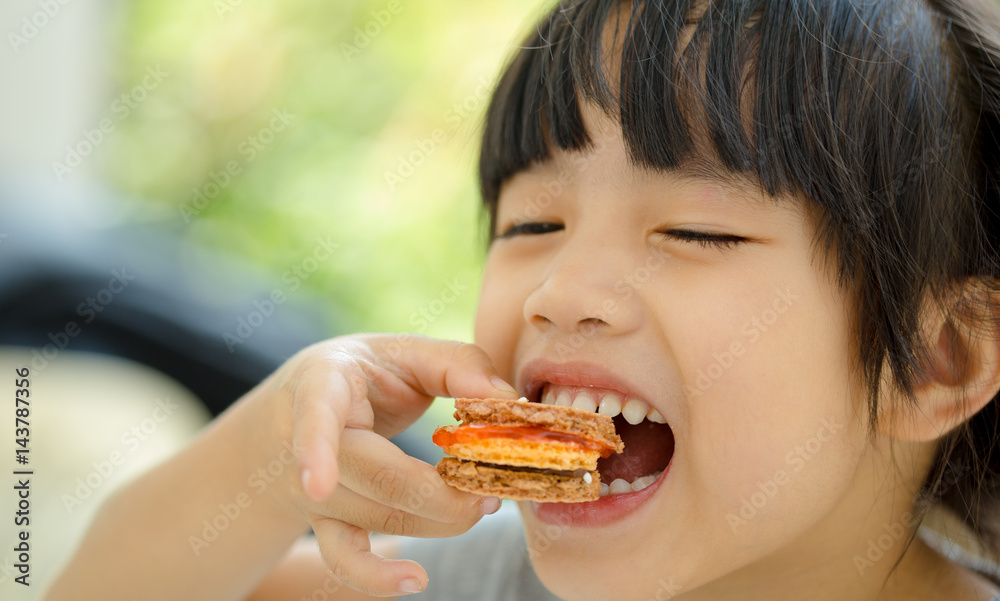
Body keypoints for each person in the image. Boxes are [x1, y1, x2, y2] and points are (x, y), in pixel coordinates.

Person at [42, 0, 1000, 599]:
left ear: (933, 359)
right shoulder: (489, 578)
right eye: (533, 224)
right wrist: (270, 456)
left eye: (695, 230)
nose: (560, 290)